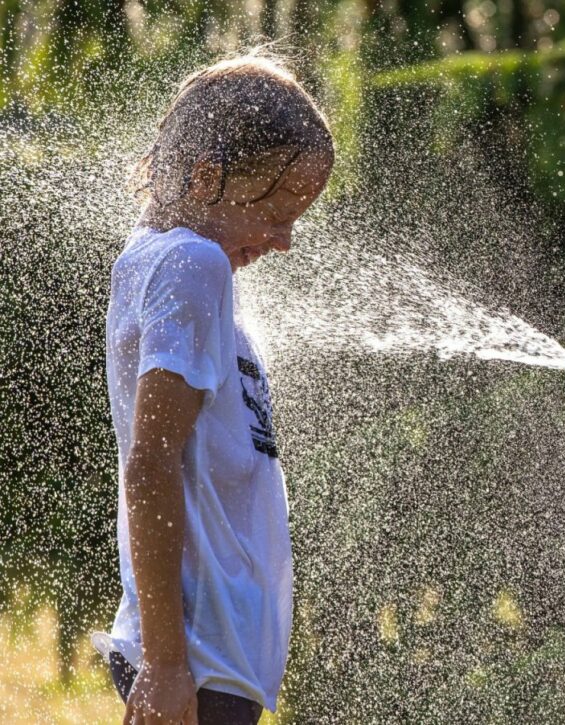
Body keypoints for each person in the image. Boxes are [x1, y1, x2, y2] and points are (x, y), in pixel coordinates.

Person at [92, 51, 334, 725]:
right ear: (206, 178)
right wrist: (168, 666)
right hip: (196, 656)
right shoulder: (191, 262)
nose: (285, 239)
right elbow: (151, 464)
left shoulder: (172, 263)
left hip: (211, 654)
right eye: (279, 209)